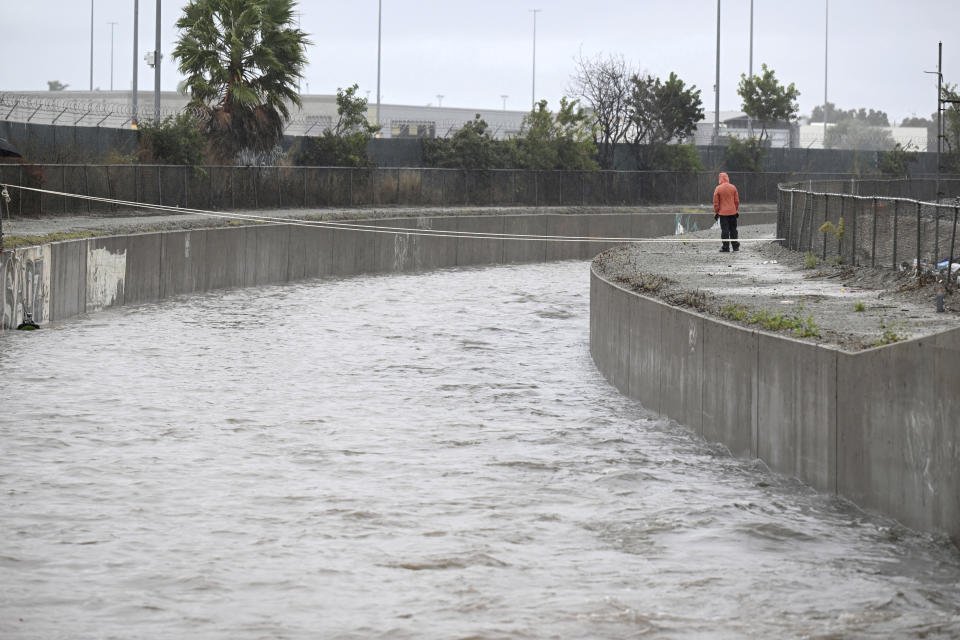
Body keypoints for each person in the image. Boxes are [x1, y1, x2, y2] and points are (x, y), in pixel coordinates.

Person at [713, 172, 740, 252]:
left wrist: (716, 212)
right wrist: (736, 210)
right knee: (733, 230)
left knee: (725, 230)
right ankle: (735, 246)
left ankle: (726, 247)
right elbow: (737, 201)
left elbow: (716, 203)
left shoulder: (718, 188)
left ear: (720, 179)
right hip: (733, 212)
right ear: (727, 178)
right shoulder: (733, 187)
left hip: (723, 213)